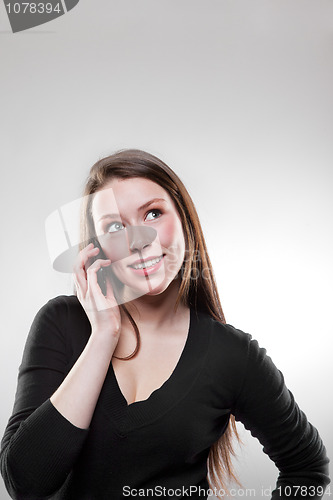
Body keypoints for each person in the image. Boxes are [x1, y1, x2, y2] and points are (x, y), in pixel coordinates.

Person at [0, 149, 330, 500]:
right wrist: (103, 336)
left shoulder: (232, 354)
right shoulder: (61, 323)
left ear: (184, 219)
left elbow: (306, 468)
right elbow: (26, 483)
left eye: (153, 213)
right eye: (115, 227)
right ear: (96, 248)